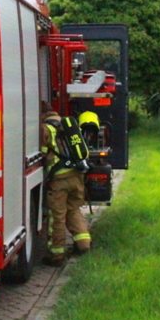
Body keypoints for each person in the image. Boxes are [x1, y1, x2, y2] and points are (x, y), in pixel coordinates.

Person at [40, 108, 91, 266]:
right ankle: (84, 246)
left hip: (59, 180)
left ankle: (56, 255)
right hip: (76, 177)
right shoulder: (68, 125)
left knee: (57, 216)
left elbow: (41, 153)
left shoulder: (46, 128)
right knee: (73, 210)